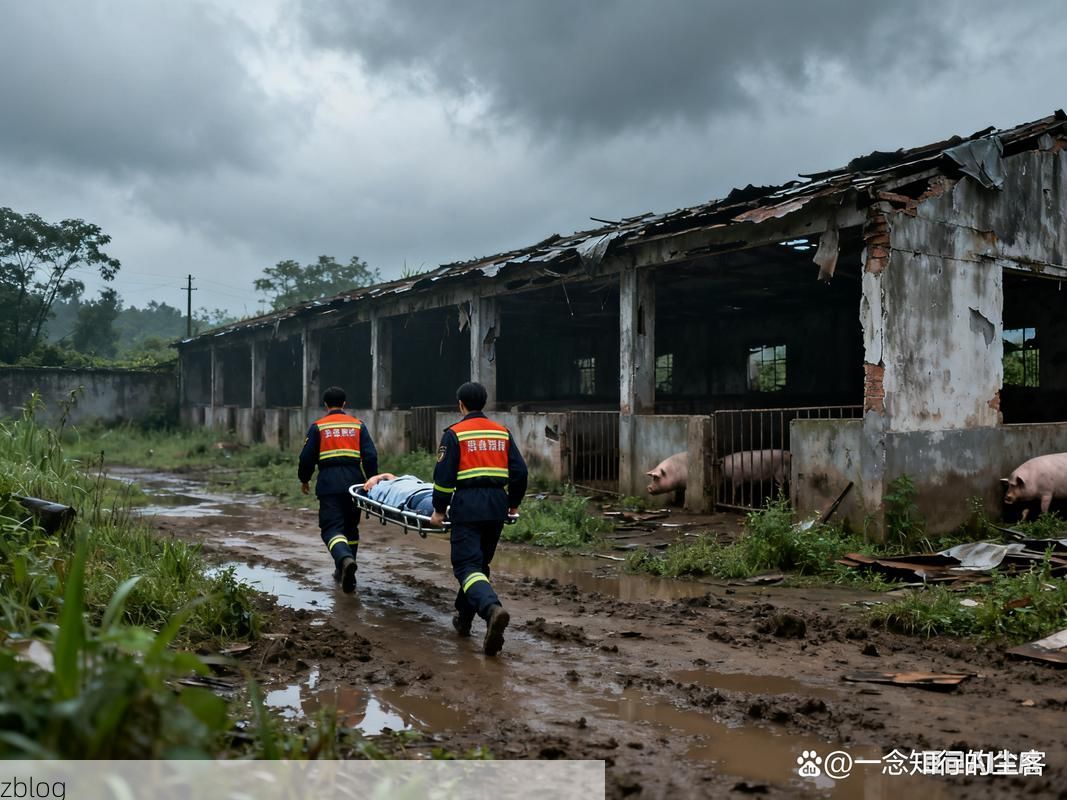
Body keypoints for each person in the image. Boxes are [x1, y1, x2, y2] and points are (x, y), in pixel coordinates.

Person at [430, 381, 527, 656]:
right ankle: (464, 618)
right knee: (479, 565)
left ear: (460, 404)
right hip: (496, 504)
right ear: (484, 403)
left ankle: (491, 609)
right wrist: (513, 504)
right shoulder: (501, 432)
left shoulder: (454, 434)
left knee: (466, 566)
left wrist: (439, 510)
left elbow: (444, 479)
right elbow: (520, 472)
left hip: (468, 505)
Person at [298, 386, 378, 593]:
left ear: (325, 405)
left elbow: (306, 457)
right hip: (355, 483)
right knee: (351, 529)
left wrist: (304, 479)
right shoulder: (358, 425)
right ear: (344, 403)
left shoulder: (318, 427)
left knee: (332, 528)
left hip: (329, 483)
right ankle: (343, 569)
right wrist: (372, 479)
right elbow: (370, 455)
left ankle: (344, 560)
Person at [364, 472, 435, 517]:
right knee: (438, 508)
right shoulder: (378, 488)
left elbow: (389, 475)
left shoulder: (408, 478)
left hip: (432, 491)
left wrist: (381, 476)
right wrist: (374, 479)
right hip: (415, 498)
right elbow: (368, 488)